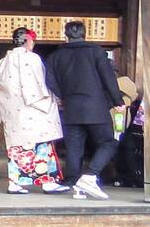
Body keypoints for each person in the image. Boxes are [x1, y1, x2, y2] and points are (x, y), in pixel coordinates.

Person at [45, 21, 124, 200]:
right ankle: (90, 175)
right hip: (96, 107)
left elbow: (50, 81)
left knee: (74, 146)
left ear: (65, 35)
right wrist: (117, 100)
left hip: (71, 108)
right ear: (84, 33)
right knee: (108, 142)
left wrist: (64, 95)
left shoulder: (55, 56)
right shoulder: (95, 52)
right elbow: (108, 77)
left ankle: (73, 182)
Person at [0, 28, 70, 195]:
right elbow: (40, 85)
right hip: (33, 110)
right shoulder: (32, 59)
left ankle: (14, 183)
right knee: (41, 145)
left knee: (16, 148)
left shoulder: (5, 60)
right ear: (28, 41)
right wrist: (54, 98)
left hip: (13, 112)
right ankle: (47, 182)